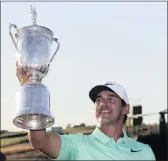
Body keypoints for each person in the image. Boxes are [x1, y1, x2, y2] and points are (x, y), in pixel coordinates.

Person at [16, 62, 156, 160]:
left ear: (126, 108)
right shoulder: (77, 145)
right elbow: (39, 140)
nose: (103, 103)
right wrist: (32, 88)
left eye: (111, 99)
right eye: (99, 99)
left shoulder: (144, 152)